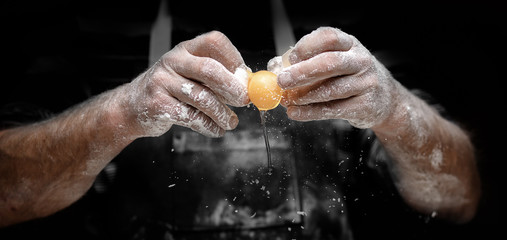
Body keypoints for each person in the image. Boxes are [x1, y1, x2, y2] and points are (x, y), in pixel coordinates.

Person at [0, 0, 481, 239]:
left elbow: (462, 197)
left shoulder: (370, 15)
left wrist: (395, 108)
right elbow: (8, 195)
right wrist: (124, 111)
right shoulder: (88, 22)